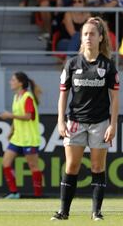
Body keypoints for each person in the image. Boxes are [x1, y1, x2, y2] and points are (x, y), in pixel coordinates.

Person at [51, 17, 119, 221]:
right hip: (75, 122)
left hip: (100, 123)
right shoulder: (72, 63)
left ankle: (96, 212)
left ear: (100, 38)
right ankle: (64, 212)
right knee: (72, 166)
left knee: (98, 167)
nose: (88, 37)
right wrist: (60, 121)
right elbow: (63, 94)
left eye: (92, 34)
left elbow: (115, 98)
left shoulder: (108, 65)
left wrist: (113, 124)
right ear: (81, 38)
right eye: (85, 34)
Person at [0, 72, 43, 199]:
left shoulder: (27, 96)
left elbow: (28, 116)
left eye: (13, 80)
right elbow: (17, 117)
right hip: (17, 138)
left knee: (33, 166)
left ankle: (38, 195)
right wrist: (11, 131)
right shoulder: (16, 97)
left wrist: (9, 115)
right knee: (6, 163)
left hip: (29, 138)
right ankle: (14, 193)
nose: (10, 82)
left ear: (20, 83)